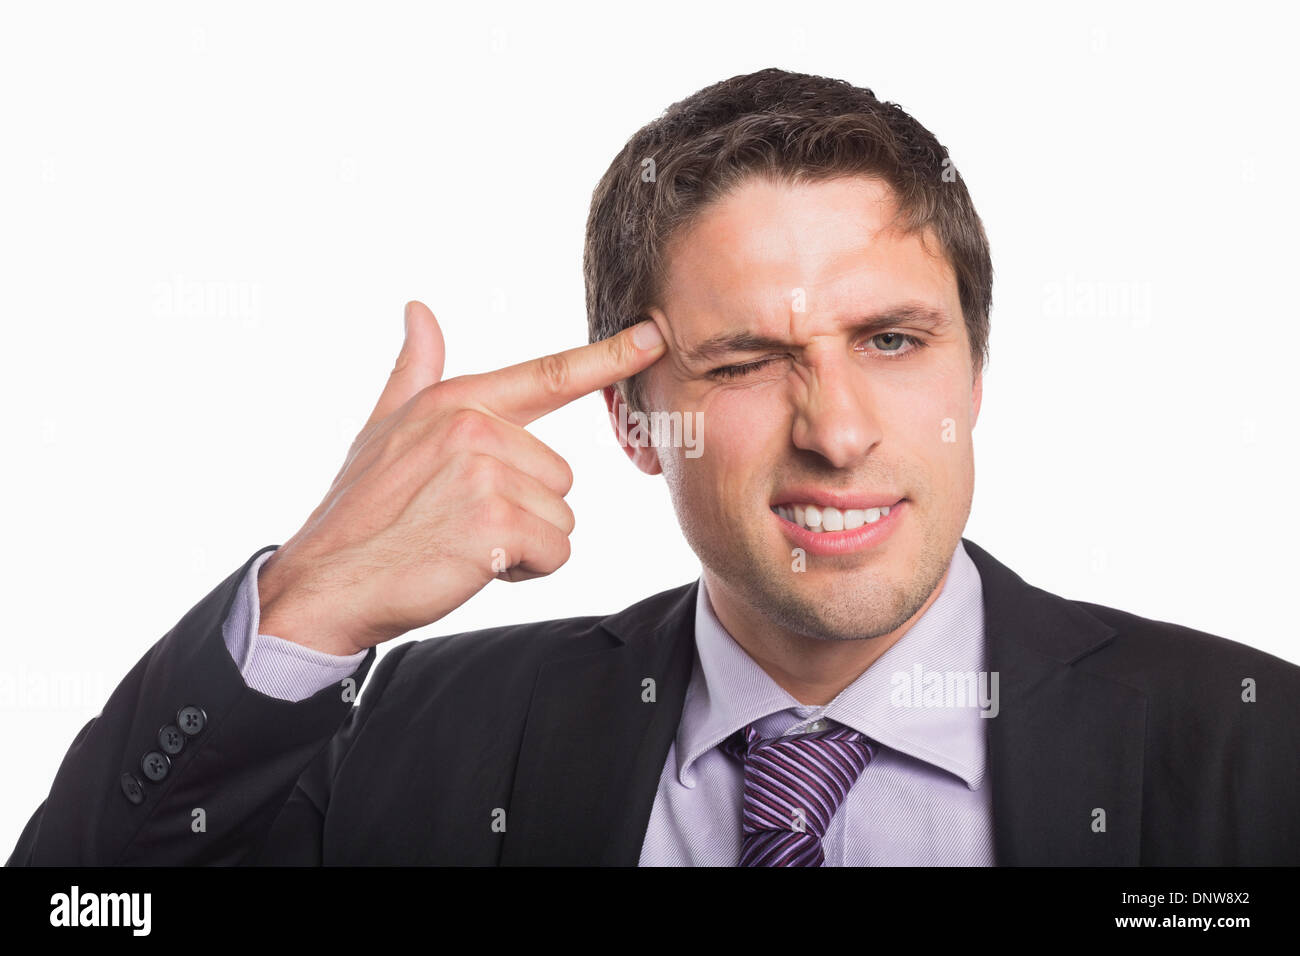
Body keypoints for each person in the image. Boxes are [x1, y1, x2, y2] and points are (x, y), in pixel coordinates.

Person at [9, 68, 1298, 867]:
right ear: (632, 418)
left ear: (974, 373)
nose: (838, 434)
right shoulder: (425, 731)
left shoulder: (1256, 749)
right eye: (744, 363)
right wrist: (307, 605)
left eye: (894, 342)